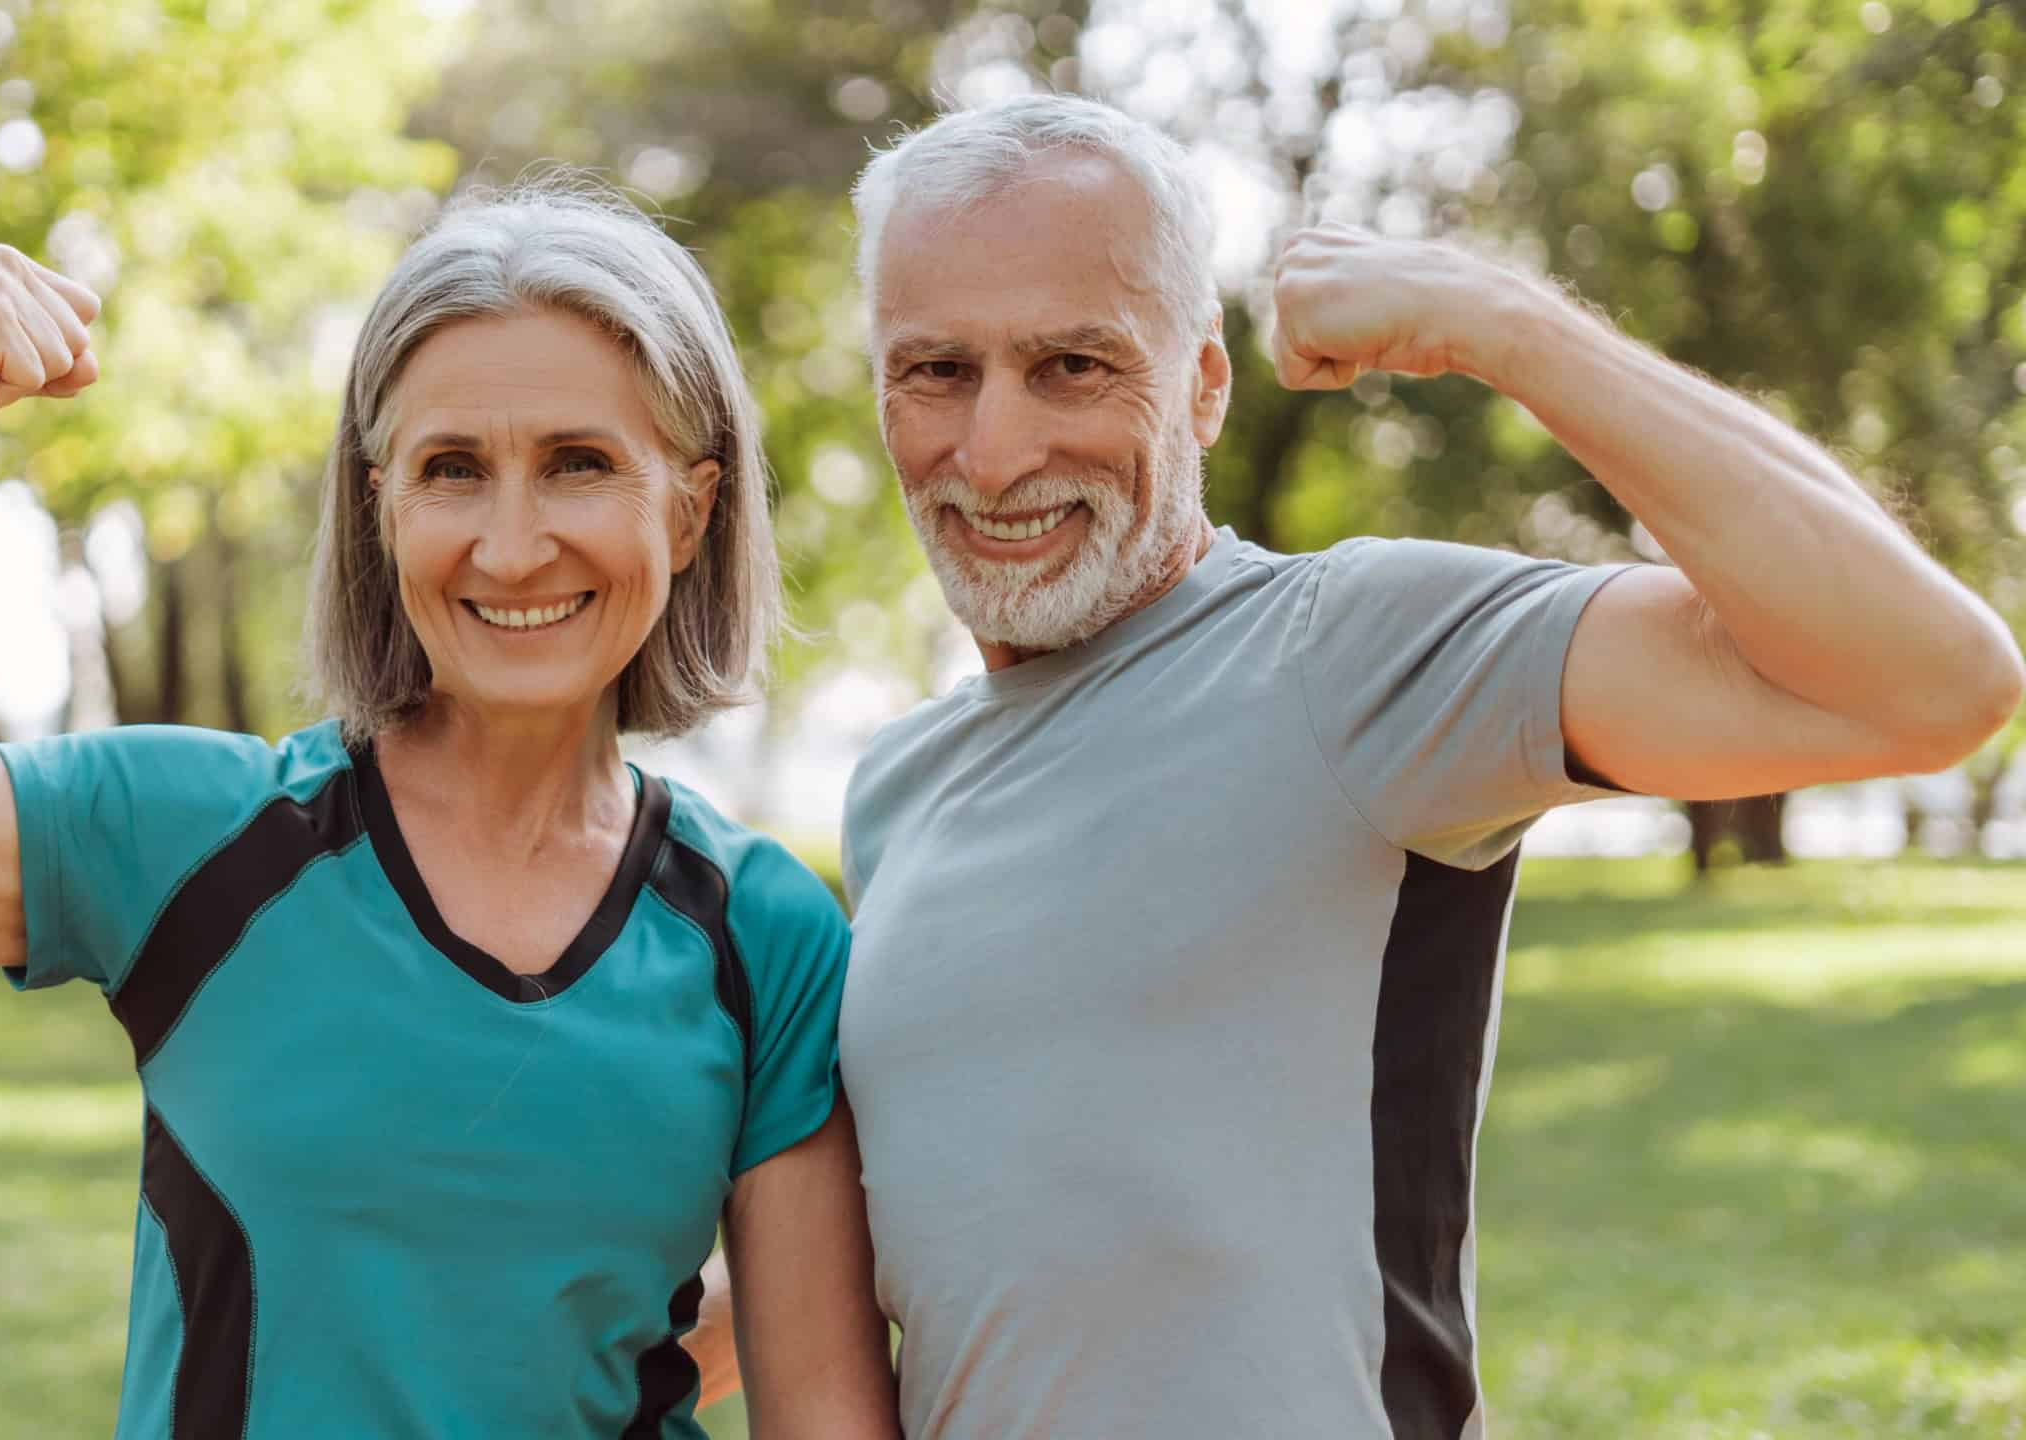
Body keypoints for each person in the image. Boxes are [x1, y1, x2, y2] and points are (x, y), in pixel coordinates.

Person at [684, 94, 2025, 1437]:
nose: (996, 450)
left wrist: (1508, 326)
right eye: (937, 371)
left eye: (1074, 367)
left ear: (1204, 385)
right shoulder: (900, 786)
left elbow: (1932, 682)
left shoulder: (1352, 656)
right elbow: (923, 1249)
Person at [0, 184, 901, 1439]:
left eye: (580, 463)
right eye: (448, 470)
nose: (509, 541)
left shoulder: (763, 934)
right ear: (376, 510)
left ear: (690, 507)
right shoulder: (193, 840)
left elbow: (814, 1401)